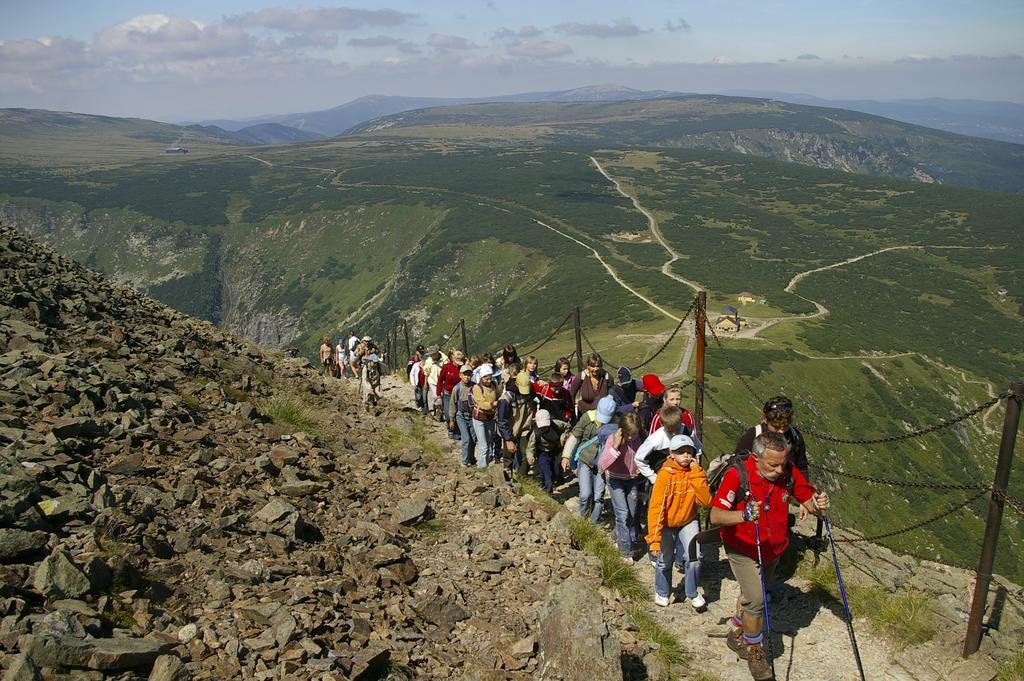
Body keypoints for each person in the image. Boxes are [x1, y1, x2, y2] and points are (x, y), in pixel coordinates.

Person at [710, 431, 829, 681]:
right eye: (773, 465)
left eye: (782, 464)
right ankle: (755, 650)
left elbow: (807, 500)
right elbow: (716, 515)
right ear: (755, 458)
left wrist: (819, 505)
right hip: (742, 546)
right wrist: (743, 516)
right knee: (756, 600)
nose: (779, 470)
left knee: (753, 593)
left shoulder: (786, 472)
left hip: (773, 549)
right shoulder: (737, 476)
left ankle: (738, 631)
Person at [646, 434, 711, 610]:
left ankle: (692, 592)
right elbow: (656, 508)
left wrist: (697, 475)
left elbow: (705, 501)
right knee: (665, 560)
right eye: (681, 452)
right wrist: (654, 538)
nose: (686, 456)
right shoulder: (665, 475)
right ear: (672, 453)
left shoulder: (695, 473)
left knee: (694, 558)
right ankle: (662, 592)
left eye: (689, 452)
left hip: (688, 521)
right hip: (667, 524)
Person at [598, 411, 644, 562]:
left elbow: (640, 456)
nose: (631, 437)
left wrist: (640, 468)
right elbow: (602, 464)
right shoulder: (613, 439)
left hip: (631, 479)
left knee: (631, 514)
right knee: (622, 513)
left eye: (635, 434)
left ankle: (614, 536)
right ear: (621, 429)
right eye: (629, 434)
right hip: (615, 479)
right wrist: (616, 447)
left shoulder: (638, 439)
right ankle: (625, 551)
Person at [734, 395, 809, 479]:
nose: (781, 431)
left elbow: (802, 467)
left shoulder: (795, 436)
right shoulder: (752, 435)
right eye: (776, 427)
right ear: (765, 419)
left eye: (785, 426)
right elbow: (737, 464)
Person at [635, 405, 703, 484]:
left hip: (684, 476)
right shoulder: (655, 439)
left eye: (677, 429)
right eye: (670, 431)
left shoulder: (688, 432)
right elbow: (639, 458)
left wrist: (696, 458)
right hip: (661, 478)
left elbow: (697, 446)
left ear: (681, 421)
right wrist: (652, 477)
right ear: (662, 424)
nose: (674, 433)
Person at [496, 364, 534, 477]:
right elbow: (502, 420)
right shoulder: (506, 398)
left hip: (524, 429)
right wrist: (508, 440)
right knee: (508, 458)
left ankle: (523, 480)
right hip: (510, 430)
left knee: (525, 455)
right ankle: (507, 481)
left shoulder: (529, 392)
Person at [524, 409, 568, 493]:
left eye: (546, 426)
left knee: (555, 471)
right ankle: (548, 489)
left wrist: (564, 436)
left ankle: (550, 482)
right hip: (542, 452)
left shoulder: (557, 424)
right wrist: (530, 457)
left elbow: (568, 428)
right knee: (546, 471)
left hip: (555, 450)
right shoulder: (535, 433)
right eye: (542, 427)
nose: (544, 428)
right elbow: (530, 447)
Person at [470, 365, 498, 468]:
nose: (489, 380)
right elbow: (482, 404)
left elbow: (498, 395)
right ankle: (482, 467)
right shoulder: (477, 388)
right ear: (481, 377)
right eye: (486, 378)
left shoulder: (494, 385)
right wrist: (493, 404)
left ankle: (484, 465)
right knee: (483, 446)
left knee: (489, 442)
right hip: (479, 419)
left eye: (490, 378)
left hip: (490, 418)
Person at [451, 364, 477, 466]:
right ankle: (464, 461)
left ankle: (471, 457)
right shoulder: (457, 388)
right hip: (461, 415)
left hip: (472, 416)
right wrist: (451, 419)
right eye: (465, 375)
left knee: (473, 438)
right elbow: (452, 404)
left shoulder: (475, 386)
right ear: (460, 375)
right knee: (466, 439)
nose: (467, 377)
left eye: (469, 375)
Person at [438, 350, 463, 440]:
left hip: (458, 394)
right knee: (448, 413)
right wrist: (438, 395)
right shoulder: (446, 367)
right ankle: (450, 428)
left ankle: (457, 431)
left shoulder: (462, 368)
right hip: (447, 394)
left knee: (457, 413)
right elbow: (440, 380)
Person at [361, 344, 383, 409]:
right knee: (368, 397)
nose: (375, 364)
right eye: (374, 362)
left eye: (376, 362)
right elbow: (364, 380)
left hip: (376, 383)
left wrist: (377, 391)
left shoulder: (378, 366)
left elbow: (379, 376)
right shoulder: (365, 369)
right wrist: (369, 388)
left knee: (379, 397)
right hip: (368, 383)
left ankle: (378, 410)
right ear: (370, 361)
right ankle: (366, 410)